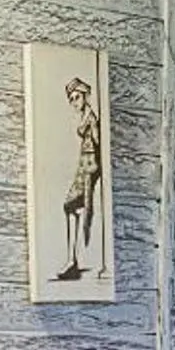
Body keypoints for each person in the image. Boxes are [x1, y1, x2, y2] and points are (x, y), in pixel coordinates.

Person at [55, 74, 105, 283]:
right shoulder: (86, 117)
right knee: (71, 207)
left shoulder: (91, 118)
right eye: (71, 98)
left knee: (70, 205)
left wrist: (93, 167)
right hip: (83, 163)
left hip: (89, 165)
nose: (74, 102)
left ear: (85, 96)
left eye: (77, 97)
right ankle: (72, 259)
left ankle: (72, 260)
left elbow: (97, 142)